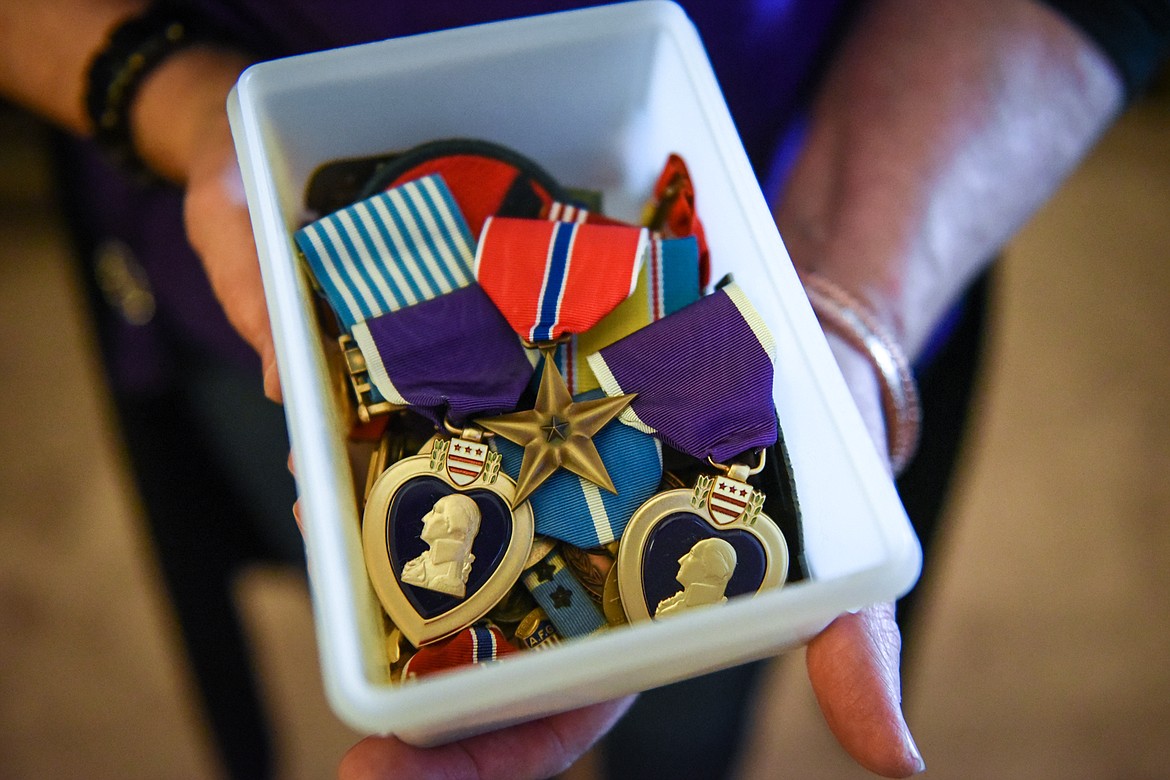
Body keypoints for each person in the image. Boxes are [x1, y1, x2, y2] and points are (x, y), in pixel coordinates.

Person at [0, 1, 1165, 779]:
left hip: (792, 181)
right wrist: (194, 106)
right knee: (357, 593)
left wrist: (840, 322)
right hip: (247, 270)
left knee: (695, 711)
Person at [401, 493, 482, 598]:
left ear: (456, 525)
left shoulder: (447, 581)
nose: (424, 518)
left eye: (436, 511)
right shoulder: (423, 562)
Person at [654, 537, 738, 618]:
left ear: (713, 567)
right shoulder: (678, 602)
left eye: (692, 554)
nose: (681, 560)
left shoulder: (708, 614)